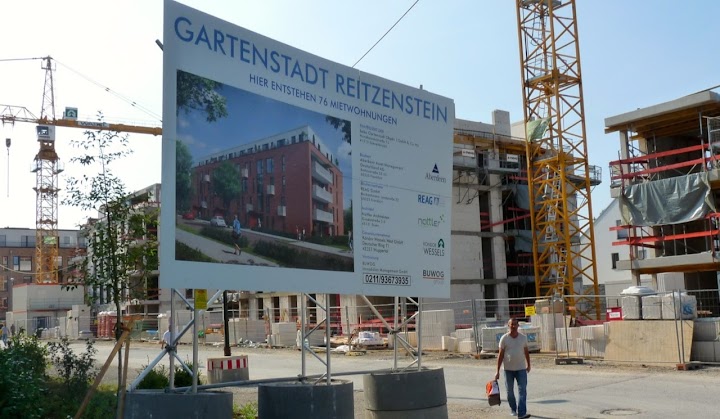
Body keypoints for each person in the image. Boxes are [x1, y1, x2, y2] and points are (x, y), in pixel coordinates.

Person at [494, 318, 531, 418]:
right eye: (511, 325)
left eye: (515, 324)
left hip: (521, 369)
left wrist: (529, 365)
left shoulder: (523, 338)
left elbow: (526, 352)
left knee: (522, 390)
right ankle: (513, 409)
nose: (513, 326)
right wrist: (497, 371)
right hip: (508, 370)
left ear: (518, 326)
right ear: (508, 326)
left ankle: (522, 412)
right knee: (509, 391)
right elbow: (500, 355)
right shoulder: (504, 339)